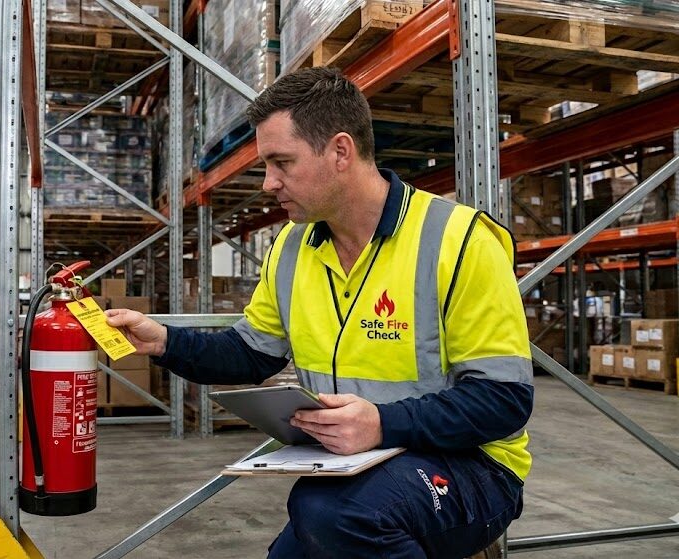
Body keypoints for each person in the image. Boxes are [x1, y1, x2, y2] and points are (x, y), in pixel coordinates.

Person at [105, 66, 533, 558]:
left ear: (341, 151)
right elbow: (249, 353)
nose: (268, 183)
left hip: (471, 466)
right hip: (357, 465)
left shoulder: (459, 240)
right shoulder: (292, 247)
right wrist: (161, 340)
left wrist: (381, 423)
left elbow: (504, 400)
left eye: (282, 162)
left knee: (335, 515)